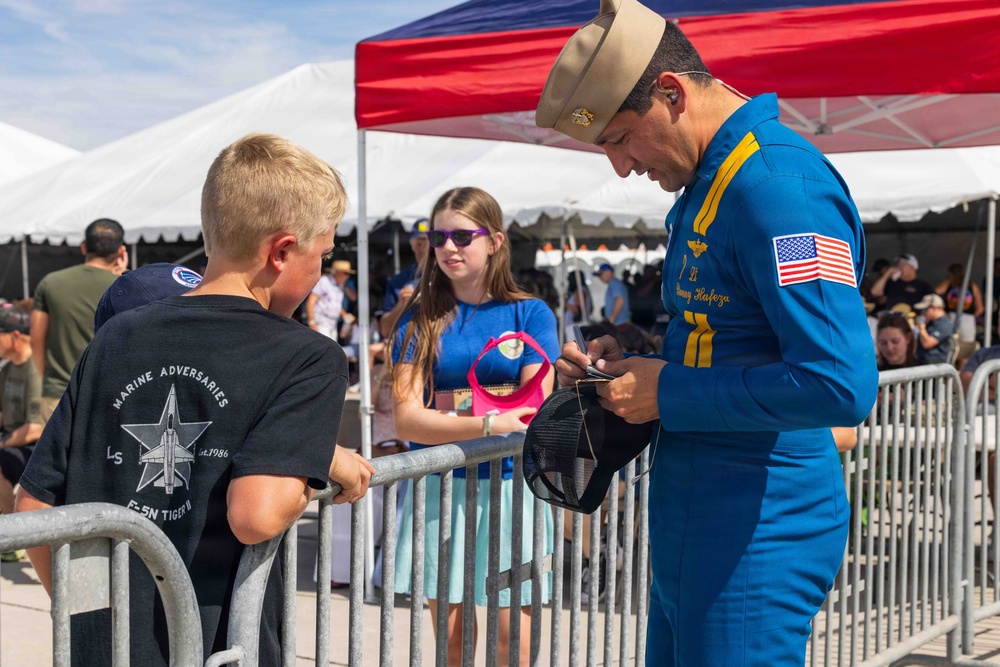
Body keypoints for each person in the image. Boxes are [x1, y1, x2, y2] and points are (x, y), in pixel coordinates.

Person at [535, 2, 878, 664]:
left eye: (620, 138)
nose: (622, 167)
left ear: (672, 94)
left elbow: (840, 382)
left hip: (756, 527)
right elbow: (729, 335)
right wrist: (635, 360)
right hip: (701, 519)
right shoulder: (711, 179)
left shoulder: (778, 188)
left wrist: (670, 392)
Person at [14, 133, 374, 666]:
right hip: (223, 648)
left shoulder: (117, 336)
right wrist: (312, 467)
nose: (320, 272)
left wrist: (95, 619)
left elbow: (35, 507)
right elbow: (256, 514)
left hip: (106, 649)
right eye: (321, 255)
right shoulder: (308, 356)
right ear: (281, 251)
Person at [388, 186, 557, 667]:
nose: (448, 247)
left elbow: (531, 411)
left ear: (496, 241)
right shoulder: (419, 320)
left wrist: (451, 418)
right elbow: (406, 418)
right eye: (438, 236)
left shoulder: (530, 313)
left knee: (513, 642)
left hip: (512, 490)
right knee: (453, 646)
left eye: (462, 235)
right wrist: (488, 422)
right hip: (443, 490)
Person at [31, 218, 127, 420]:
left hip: (58, 392)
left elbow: (36, 339)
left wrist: (48, 381)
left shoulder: (50, 283)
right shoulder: (125, 287)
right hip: (109, 395)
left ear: (84, 247)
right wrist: (122, 275)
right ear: (120, 251)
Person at [0, 308, 46, 523]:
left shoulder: (35, 370)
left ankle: (11, 535)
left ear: (14, 336)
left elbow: (35, 428)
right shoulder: (7, 369)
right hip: (11, 439)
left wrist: (1, 443)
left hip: (33, 445)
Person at [380, 219, 430, 338]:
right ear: (412, 246)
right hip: (408, 347)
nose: (425, 248)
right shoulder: (398, 282)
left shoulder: (449, 276)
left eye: (430, 242)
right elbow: (385, 330)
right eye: (419, 243)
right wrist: (401, 305)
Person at [306, 259, 356, 343]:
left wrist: (345, 316)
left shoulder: (340, 286)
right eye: (345, 273)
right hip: (321, 322)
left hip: (333, 324)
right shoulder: (324, 281)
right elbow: (311, 301)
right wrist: (311, 321)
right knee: (324, 348)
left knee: (331, 349)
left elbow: (336, 305)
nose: (347, 276)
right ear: (337, 272)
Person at [869, 254, 934, 312]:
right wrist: (888, 273)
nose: (899, 267)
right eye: (898, 265)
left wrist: (920, 312)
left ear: (912, 267)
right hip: (887, 316)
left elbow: (932, 305)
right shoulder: (891, 282)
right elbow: (874, 292)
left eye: (903, 265)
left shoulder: (923, 286)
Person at [913, 293, 955, 365]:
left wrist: (921, 328)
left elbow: (927, 344)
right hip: (922, 361)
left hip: (935, 365)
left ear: (934, 308)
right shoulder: (930, 322)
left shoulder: (945, 324)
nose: (923, 312)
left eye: (925, 309)